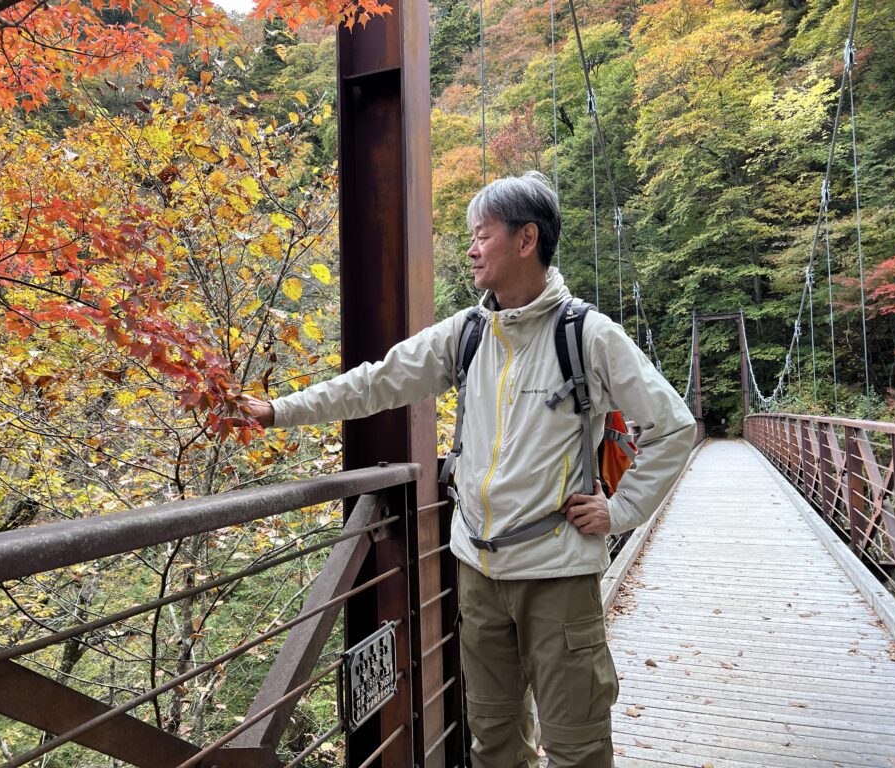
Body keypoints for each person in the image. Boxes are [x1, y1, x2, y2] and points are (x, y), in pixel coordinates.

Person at [241, 171, 695, 768]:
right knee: (493, 745)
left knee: (577, 747)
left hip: (557, 575)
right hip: (477, 572)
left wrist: (621, 510)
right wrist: (279, 411)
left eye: (482, 235)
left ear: (526, 239)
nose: (472, 248)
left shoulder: (587, 336)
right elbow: (378, 380)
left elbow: (673, 427)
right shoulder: (470, 334)